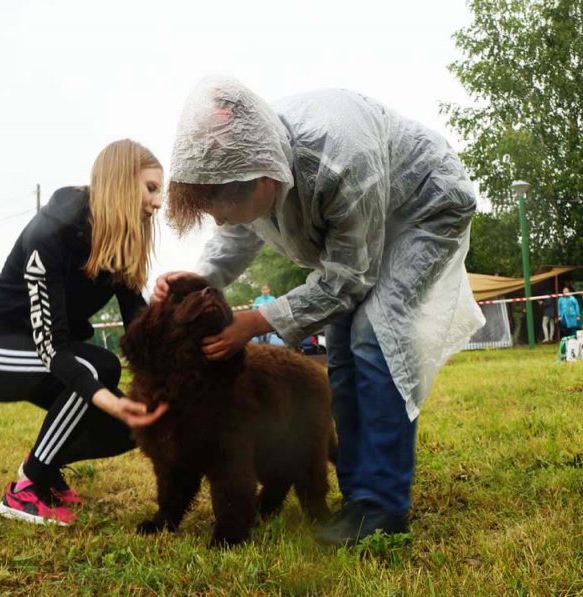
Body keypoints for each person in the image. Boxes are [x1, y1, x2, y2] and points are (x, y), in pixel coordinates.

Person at [153, 77, 484, 545]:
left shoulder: (337, 159)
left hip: (422, 206)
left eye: (223, 207)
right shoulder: (250, 158)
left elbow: (348, 279)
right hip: (365, 220)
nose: (220, 220)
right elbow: (234, 236)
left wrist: (255, 321)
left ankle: (383, 511)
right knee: (343, 351)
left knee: (375, 336)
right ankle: (358, 495)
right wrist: (195, 283)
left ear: (265, 182)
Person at [0, 140, 168, 526]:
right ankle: (27, 488)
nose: (157, 203)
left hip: (47, 352)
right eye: (151, 188)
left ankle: (44, 466)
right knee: (100, 367)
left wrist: (177, 367)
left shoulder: (116, 245)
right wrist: (104, 395)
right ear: (121, 181)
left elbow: (141, 328)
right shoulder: (57, 226)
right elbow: (51, 347)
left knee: (130, 428)